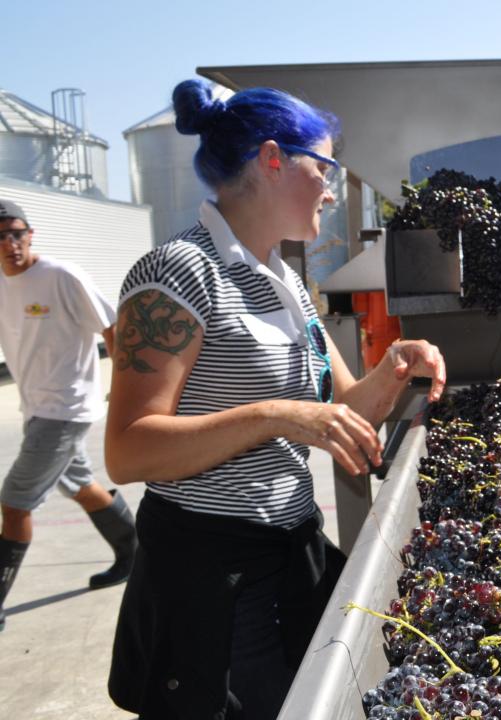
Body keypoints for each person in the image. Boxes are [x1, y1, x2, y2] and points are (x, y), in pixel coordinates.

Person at [105, 79, 447, 719]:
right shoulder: (177, 272)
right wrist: (273, 417)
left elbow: (345, 407)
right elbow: (127, 451)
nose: (328, 185)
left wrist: (396, 367)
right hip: (214, 576)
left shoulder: (283, 277)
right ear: (271, 159)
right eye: (324, 166)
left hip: (289, 551)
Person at [0, 199, 135, 633]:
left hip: (67, 407)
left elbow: (112, 327)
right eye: (0, 236)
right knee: (77, 483)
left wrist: (126, 391)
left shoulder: (61, 276)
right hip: (36, 407)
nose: (9, 243)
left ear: (31, 234)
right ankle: (133, 550)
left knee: (15, 502)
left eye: (16, 232)